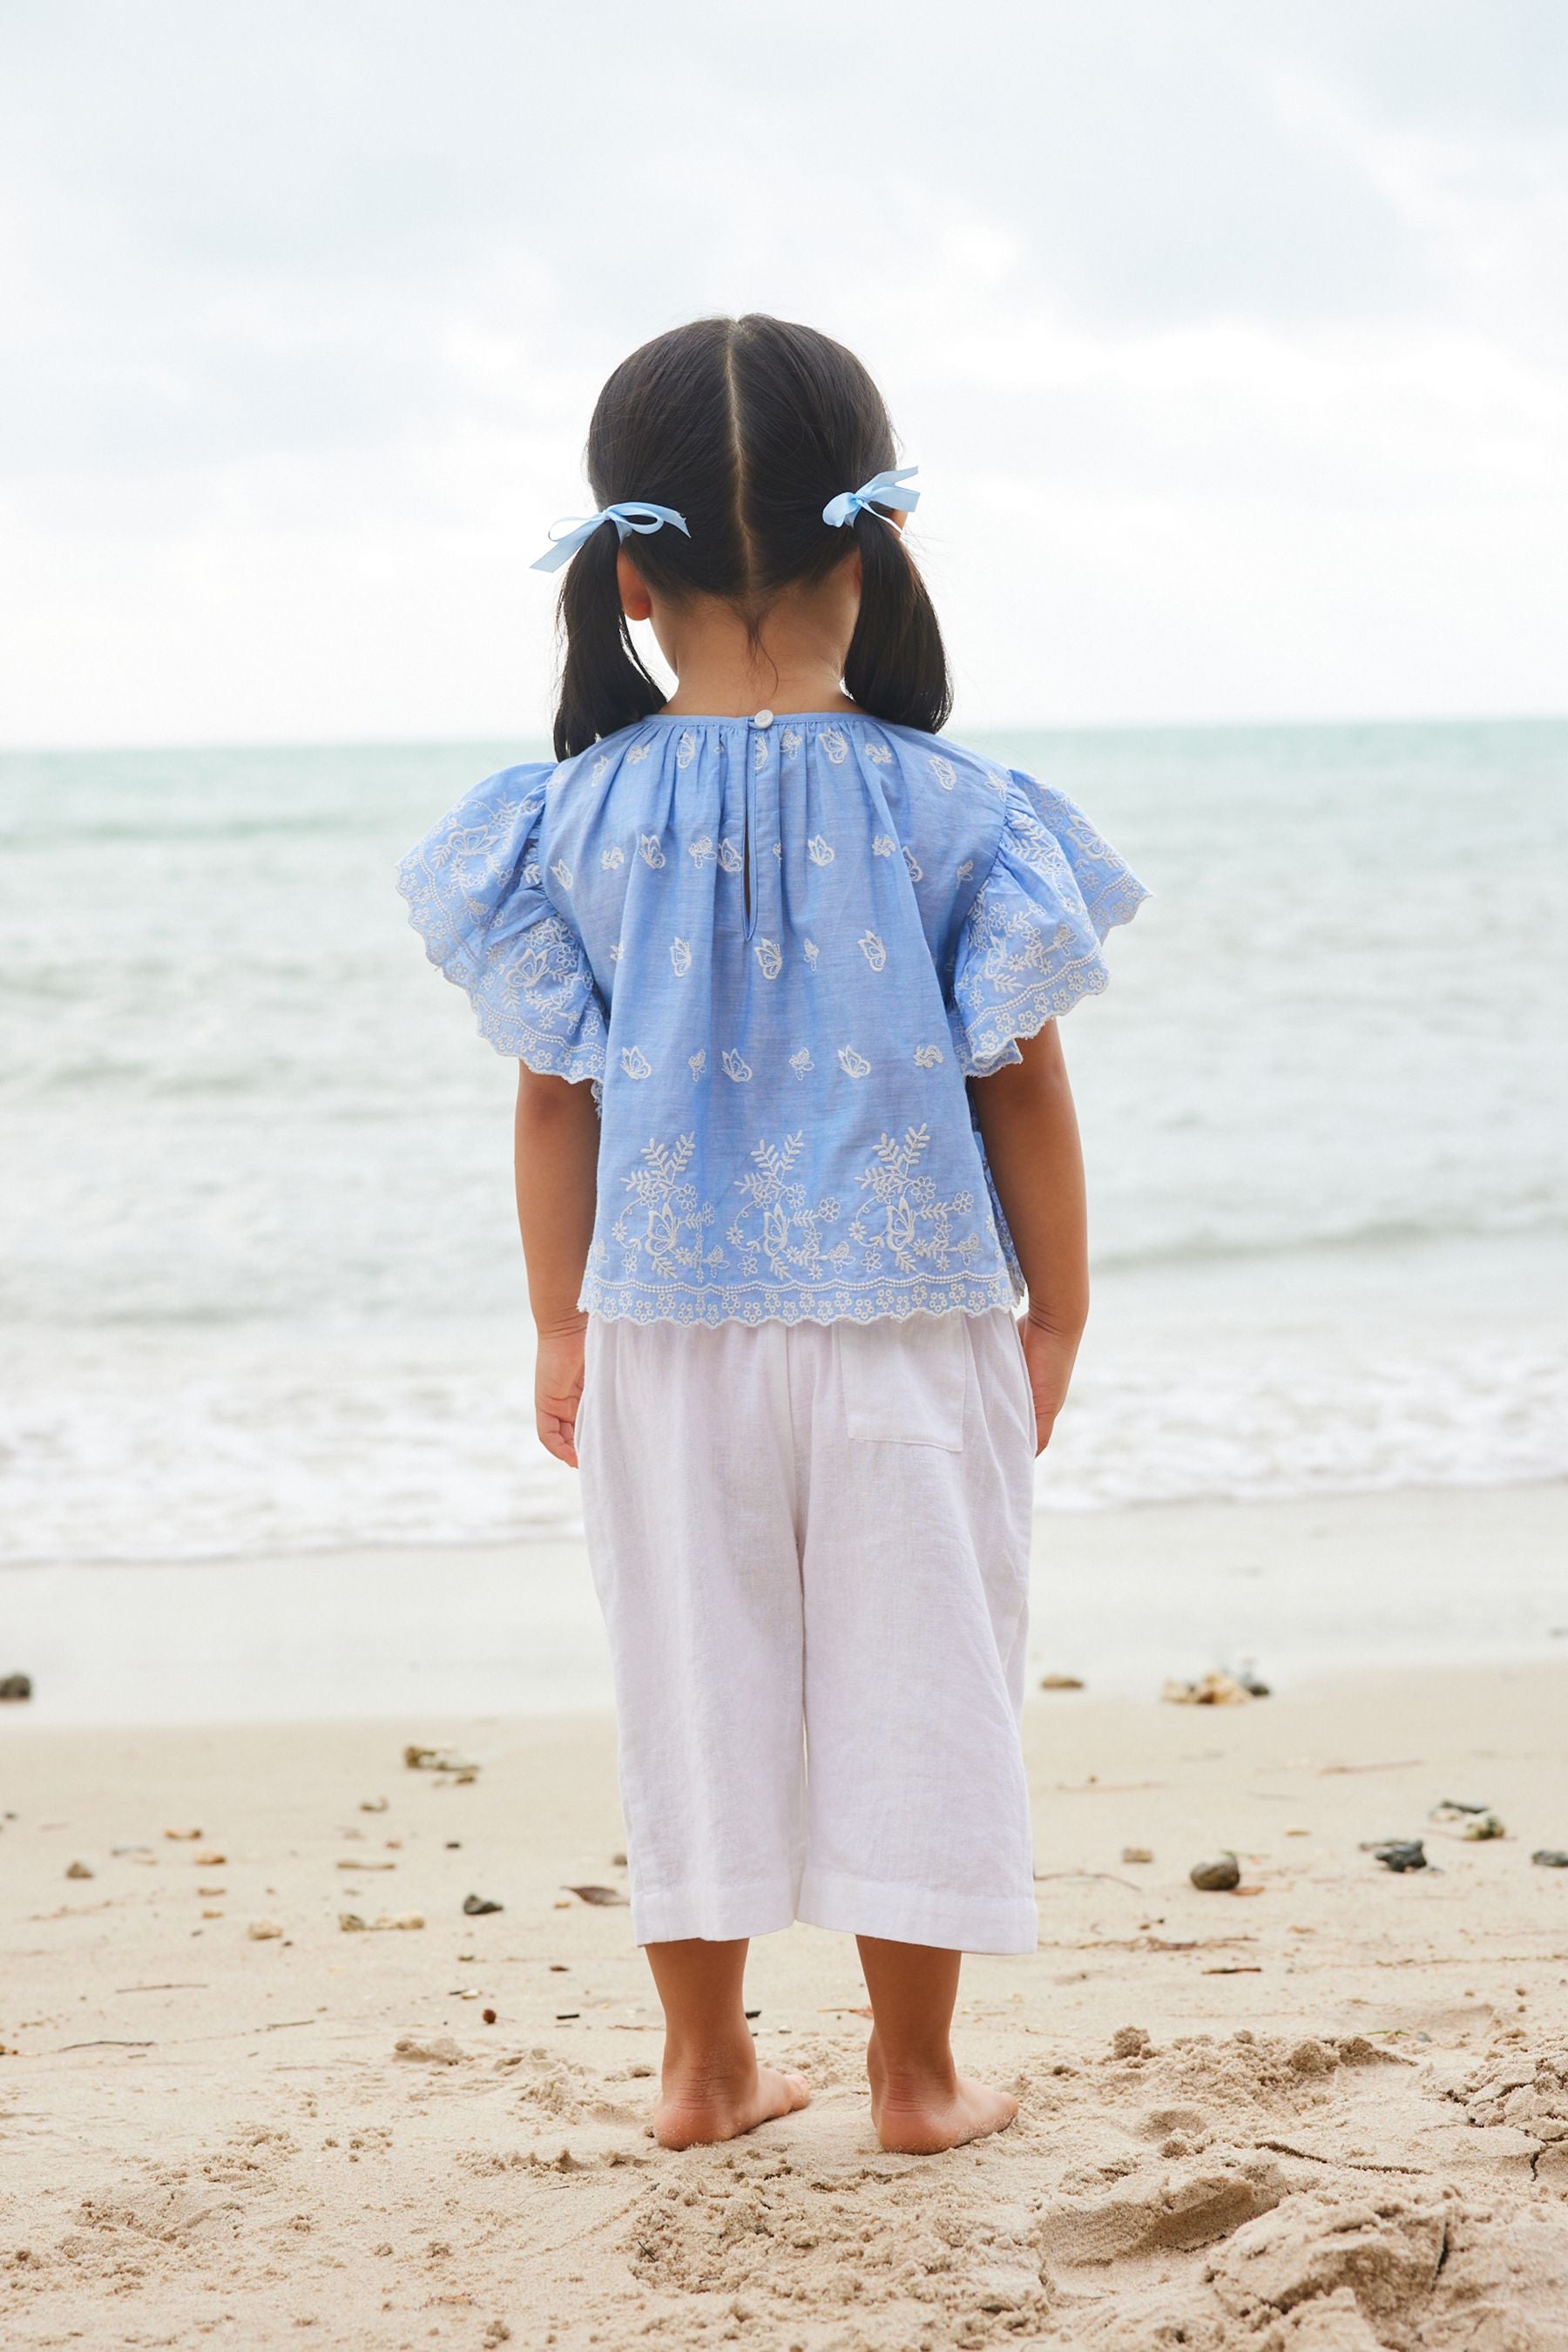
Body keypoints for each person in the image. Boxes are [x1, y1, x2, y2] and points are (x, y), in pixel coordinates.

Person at [398, 314, 1146, 2154]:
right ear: (872, 553)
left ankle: (706, 2065)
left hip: (661, 1319)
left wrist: (558, 1329)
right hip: (913, 1313)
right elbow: (1024, 1084)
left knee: (689, 1672)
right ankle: (914, 2075)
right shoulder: (957, 804)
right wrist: (1053, 1319)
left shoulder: (566, 822)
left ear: (629, 578)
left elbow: (550, 1095)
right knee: (925, 1673)